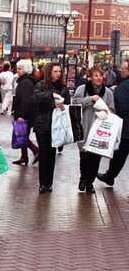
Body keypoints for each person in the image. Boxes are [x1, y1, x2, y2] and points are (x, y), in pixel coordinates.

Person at [73, 65, 115, 193]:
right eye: (95, 75)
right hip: (85, 127)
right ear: (90, 77)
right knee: (84, 156)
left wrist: (105, 112)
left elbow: (112, 109)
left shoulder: (107, 93)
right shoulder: (83, 89)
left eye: (100, 75)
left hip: (99, 130)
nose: (98, 78)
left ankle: (90, 182)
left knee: (95, 158)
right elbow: (75, 103)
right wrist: (90, 99)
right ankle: (83, 179)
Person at [31, 62, 70, 193]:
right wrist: (50, 95)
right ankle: (43, 183)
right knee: (44, 152)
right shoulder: (41, 85)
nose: (58, 74)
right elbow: (35, 98)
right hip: (43, 123)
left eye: (59, 71)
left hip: (57, 124)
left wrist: (63, 106)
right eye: (55, 71)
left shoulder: (63, 88)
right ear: (49, 72)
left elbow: (68, 104)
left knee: (51, 154)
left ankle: (49, 183)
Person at [98, 59, 129, 187]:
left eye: (123, 68)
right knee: (120, 154)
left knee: (120, 153)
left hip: (126, 128)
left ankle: (110, 176)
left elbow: (120, 107)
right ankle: (110, 176)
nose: (120, 70)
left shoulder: (125, 86)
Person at [11, 59, 40, 166]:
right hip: (25, 112)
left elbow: (26, 100)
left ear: (25, 70)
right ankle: (24, 156)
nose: (17, 70)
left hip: (25, 114)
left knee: (22, 135)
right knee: (22, 134)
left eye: (20, 69)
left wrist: (22, 115)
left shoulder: (26, 82)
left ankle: (36, 150)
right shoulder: (25, 81)